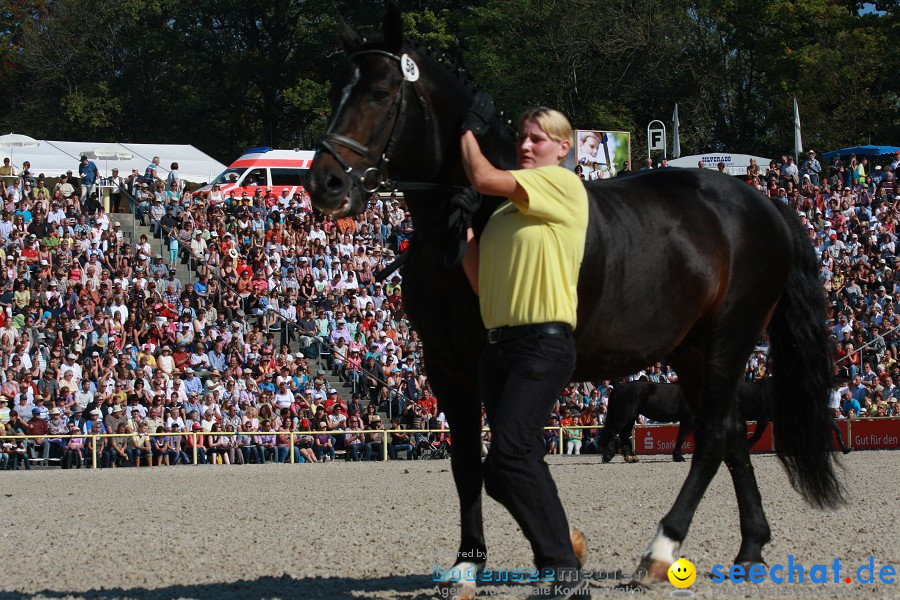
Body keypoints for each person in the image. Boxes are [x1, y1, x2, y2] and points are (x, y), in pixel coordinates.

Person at [459, 106, 589, 598]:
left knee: (509, 456)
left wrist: (464, 130)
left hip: (542, 344)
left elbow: (478, 173)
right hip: (499, 349)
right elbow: (481, 285)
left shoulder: (562, 184)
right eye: (522, 139)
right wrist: (466, 233)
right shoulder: (506, 214)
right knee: (507, 467)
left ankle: (561, 571)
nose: (526, 146)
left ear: (563, 149)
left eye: (537, 139)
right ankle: (562, 560)